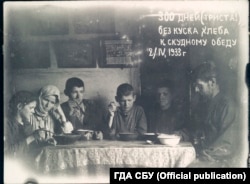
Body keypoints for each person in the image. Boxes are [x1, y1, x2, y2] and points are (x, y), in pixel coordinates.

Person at [189, 62, 239, 167]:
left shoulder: (227, 106)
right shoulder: (203, 105)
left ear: (212, 82)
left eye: (199, 86)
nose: (196, 90)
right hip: (204, 156)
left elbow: (226, 145)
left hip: (220, 162)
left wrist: (201, 158)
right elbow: (195, 130)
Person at [4, 91, 41, 158]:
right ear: (20, 106)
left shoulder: (27, 124)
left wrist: (45, 142)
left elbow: (32, 148)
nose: (33, 111)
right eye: (31, 108)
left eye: (34, 108)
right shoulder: (6, 124)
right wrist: (32, 137)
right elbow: (7, 153)